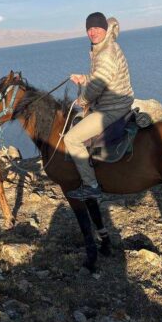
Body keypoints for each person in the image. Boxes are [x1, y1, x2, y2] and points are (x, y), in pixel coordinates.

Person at [64, 12, 134, 200]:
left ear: (105, 28)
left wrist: (82, 101)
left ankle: (91, 185)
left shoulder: (105, 53)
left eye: (97, 27)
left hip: (112, 108)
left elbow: (96, 87)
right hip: (116, 102)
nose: (93, 32)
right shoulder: (103, 47)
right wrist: (84, 78)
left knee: (71, 139)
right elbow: (101, 77)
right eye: (90, 28)